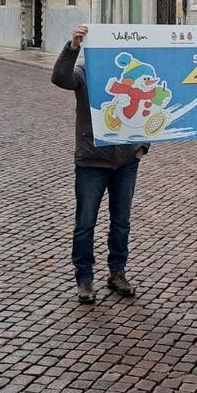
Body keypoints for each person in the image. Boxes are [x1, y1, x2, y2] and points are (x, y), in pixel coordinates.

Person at [51, 24, 148, 304]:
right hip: (91, 160)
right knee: (85, 223)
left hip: (126, 161)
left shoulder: (134, 79)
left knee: (121, 222)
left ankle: (117, 272)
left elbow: (150, 111)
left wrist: (142, 146)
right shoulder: (85, 73)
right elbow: (60, 78)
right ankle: (84, 277)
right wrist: (73, 47)